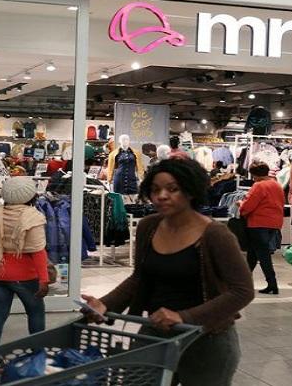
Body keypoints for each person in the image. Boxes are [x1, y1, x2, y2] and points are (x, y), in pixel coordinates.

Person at [81, 159, 254, 385]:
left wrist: (184, 317)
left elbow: (242, 291)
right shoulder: (148, 227)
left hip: (207, 339)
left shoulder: (215, 235)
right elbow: (139, 278)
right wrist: (105, 304)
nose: (161, 196)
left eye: (173, 189)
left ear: (190, 191)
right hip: (156, 332)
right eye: (155, 190)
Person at [0, 176, 50, 371]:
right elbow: (38, 252)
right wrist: (44, 279)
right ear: (30, 195)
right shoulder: (33, 217)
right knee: (35, 312)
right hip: (25, 275)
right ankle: (37, 356)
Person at [239, 162, 284, 294]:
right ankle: (243, 283)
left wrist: (240, 204)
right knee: (253, 254)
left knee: (263, 255)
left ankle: (272, 284)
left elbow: (248, 206)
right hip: (274, 223)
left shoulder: (258, 186)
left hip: (258, 223)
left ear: (255, 175)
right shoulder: (276, 185)